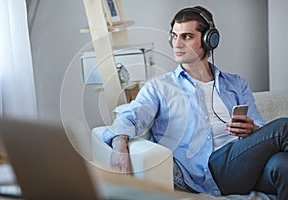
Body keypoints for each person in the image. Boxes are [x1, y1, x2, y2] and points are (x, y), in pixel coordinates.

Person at [102, 5, 288, 199]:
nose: (177, 44)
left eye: (187, 37)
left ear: (209, 40)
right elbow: (132, 115)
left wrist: (253, 131)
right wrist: (119, 143)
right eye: (174, 36)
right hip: (211, 172)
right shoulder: (160, 88)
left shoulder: (236, 84)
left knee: (283, 164)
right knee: (284, 126)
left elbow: (261, 127)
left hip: (247, 167)